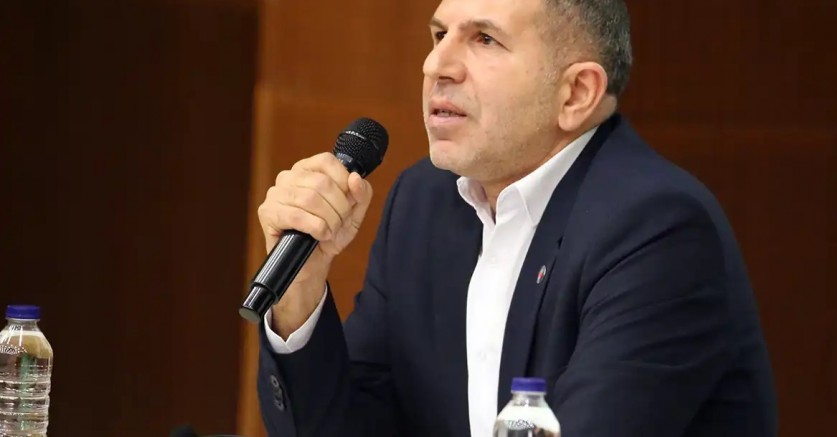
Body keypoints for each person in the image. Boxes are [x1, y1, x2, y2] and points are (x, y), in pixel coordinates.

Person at [254, 0, 777, 435]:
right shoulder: (423, 202)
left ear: (576, 93)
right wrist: (300, 291)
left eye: (484, 40)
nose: (435, 65)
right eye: (439, 34)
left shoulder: (655, 229)